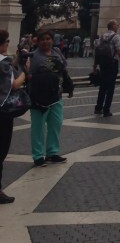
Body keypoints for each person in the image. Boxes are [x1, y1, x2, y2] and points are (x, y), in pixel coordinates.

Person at [25, 30, 73, 167]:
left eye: (48, 39)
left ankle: (52, 152)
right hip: (39, 97)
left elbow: (64, 70)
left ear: (52, 40)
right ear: (37, 41)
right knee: (38, 127)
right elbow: (27, 75)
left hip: (56, 95)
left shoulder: (57, 52)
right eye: (42, 39)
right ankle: (38, 156)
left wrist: (69, 87)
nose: (45, 42)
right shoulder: (33, 56)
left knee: (56, 124)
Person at [0, 29, 27, 202]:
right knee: (1, 150)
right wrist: (25, 71)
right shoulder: (3, 63)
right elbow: (15, 84)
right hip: (2, 113)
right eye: (7, 41)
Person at [93, 20, 120, 117]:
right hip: (112, 64)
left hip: (102, 64)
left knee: (103, 86)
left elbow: (97, 53)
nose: (118, 27)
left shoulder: (101, 37)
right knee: (110, 87)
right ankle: (106, 110)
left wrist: (94, 66)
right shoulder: (116, 37)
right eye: (117, 25)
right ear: (113, 26)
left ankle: (98, 108)